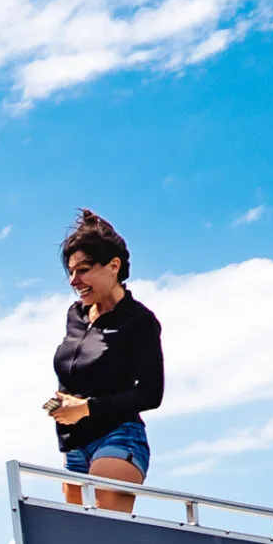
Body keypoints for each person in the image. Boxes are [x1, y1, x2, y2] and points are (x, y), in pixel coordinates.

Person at [43, 209, 163, 514]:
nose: (74, 280)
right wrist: (62, 403)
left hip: (118, 438)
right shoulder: (75, 315)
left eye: (83, 270)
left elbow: (151, 393)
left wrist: (86, 408)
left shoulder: (139, 321)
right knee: (76, 537)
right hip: (73, 448)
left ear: (113, 266)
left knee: (102, 531)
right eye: (71, 272)